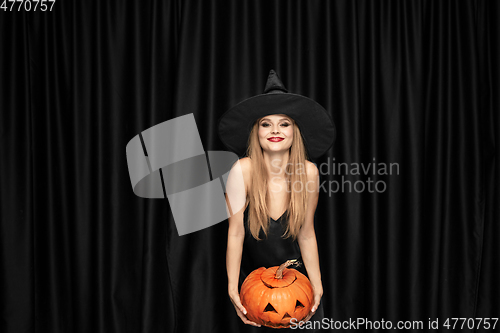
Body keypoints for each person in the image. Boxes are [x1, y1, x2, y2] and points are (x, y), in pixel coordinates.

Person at [218, 70, 336, 332]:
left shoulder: (308, 172)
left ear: (295, 131)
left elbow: (306, 235)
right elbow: (235, 233)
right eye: (266, 123)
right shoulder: (242, 170)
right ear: (256, 131)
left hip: (296, 286)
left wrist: (316, 285)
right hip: (255, 286)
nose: (275, 130)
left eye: (284, 123)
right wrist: (232, 286)